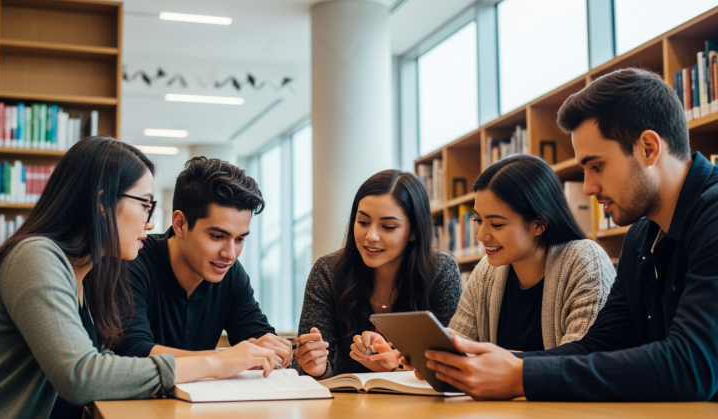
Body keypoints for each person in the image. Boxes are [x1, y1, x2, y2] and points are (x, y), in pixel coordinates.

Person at [417, 68, 718, 401]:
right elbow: (598, 345)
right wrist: (498, 363)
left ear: (648, 148)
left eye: (596, 166)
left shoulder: (712, 216)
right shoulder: (640, 238)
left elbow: (693, 365)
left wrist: (521, 375)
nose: (588, 187)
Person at [0, 138, 278, 419]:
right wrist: (216, 362)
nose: (151, 224)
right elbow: (81, 376)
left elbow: (107, 364)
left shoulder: (86, 272)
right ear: (103, 203)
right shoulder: (36, 257)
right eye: (145, 205)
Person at [114, 157, 292, 367]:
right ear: (180, 224)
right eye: (217, 236)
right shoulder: (133, 260)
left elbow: (259, 337)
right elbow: (131, 352)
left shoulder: (230, 272)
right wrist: (224, 358)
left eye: (240, 239)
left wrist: (277, 349)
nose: (230, 254)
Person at [292, 169, 462, 379]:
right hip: (347, 405)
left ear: (414, 231)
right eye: (363, 222)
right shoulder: (328, 271)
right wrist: (315, 368)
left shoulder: (441, 270)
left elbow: (451, 366)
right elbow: (304, 365)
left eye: (388, 227)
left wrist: (397, 366)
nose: (371, 236)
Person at [448, 154, 615, 351]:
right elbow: (460, 341)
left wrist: (499, 362)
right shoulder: (486, 271)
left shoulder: (585, 262)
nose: (481, 235)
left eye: (497, 224)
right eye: (477, 221)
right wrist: (432, 352)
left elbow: (579, 363)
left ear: (538, 225)